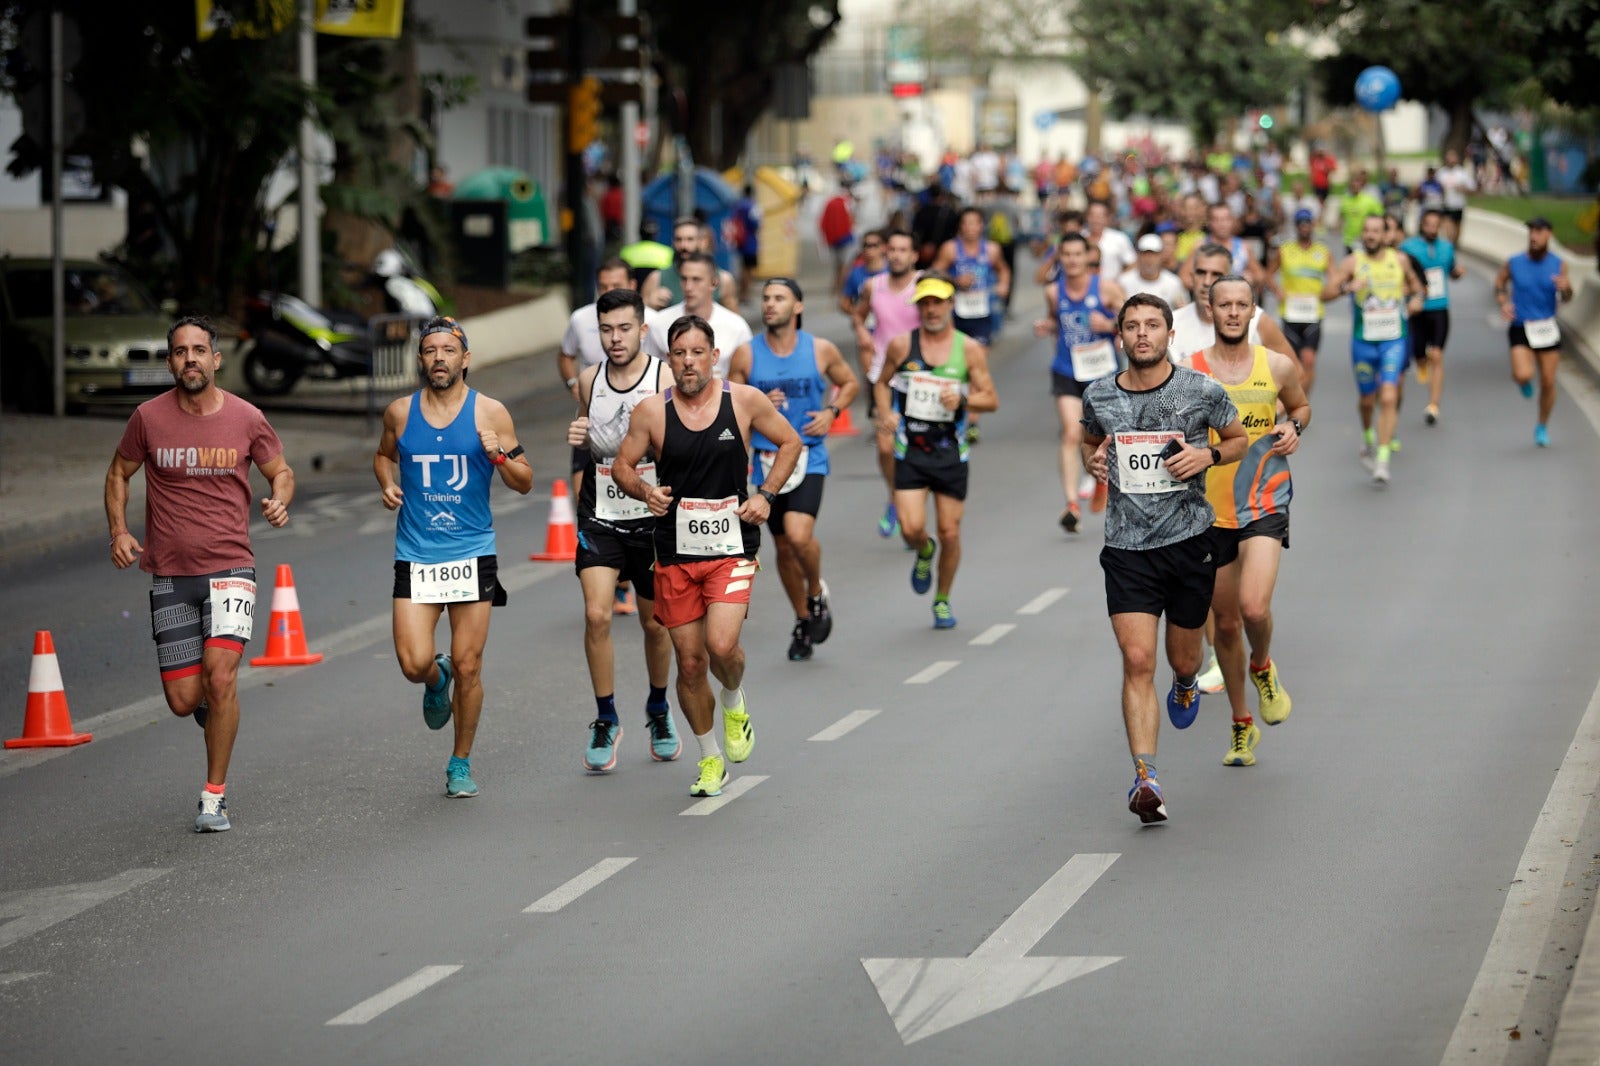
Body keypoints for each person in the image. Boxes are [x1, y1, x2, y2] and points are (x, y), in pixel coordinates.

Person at [106, 315, 295, 833]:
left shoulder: (247, 417)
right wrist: (119, 531)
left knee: (221, 676)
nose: (190, 358)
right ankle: (217, 714)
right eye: (180, 351)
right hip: (169, 572)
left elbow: (280, 470)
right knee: (184, 699)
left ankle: (214, 796)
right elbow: (119, 473)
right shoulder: (147, 418)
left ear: (216, 358)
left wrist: (279, 499)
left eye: (199, 350)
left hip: (232, 567)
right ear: (170, 362)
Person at [612, 315, 803, 798]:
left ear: (713, 356)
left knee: (721, 647)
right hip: (674, 551)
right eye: (679, 354)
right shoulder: (652, 411)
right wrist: (644, 492)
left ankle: (735, 699)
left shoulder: (742, 400)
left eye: (698, 353)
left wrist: (766, 495)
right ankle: (709, 757)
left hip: (732, 547)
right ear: (668, 359)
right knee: (690, 663)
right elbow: (620, 465)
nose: (688, 362)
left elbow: (790, 441)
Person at [1081, 293, 1247, 823]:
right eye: (1132, 326)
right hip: (1127, 548)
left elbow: (1240, 437)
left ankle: (1185, 682)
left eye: (1153, 325)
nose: (1142, 334)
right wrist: (1095, 459)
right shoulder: (1099, 394)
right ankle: (1146, 777)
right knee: (1136, 660)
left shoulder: (1200, 391)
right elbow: (1092, 439)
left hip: (1189, 542)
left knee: (1181, 659)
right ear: (1121, 337)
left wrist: (1209, 454)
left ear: (1170, 335)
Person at [374, 316, 533, 798]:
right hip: (417, 555)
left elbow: (525, 480)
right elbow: (383, 456)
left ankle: (460, 762)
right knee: (412, 662)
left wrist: (500, 457)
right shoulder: (400, 413)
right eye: (430, 350)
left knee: (469, 666)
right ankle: (433, 676)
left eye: (448, 350)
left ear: (465, 359)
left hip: (471, 553)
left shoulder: (491, 413)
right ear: (420, 359)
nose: (438, 358)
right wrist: (387, 482)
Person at [1188, 276, 1311, 768]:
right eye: (1225, 305)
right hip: (1208, 512)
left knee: (1254, 609)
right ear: (1211, 310)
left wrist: (1293, 427)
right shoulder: (1190, 373)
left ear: (1253, 310)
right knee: (1226, 623)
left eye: (1242, 305)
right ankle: (1242, 724)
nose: (1234, 313)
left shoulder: (1276, 365)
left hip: (1263, 500)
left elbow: (1301, 406)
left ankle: (1263, 665)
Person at [564, 289, 679, 772]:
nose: (614, 339)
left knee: (656, 624)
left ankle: (657, 707)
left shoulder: (664, 377)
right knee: (597, 616)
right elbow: (583, 443)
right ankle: (606, 717)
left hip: (652, 517)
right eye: (606, 329)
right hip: (602, 514)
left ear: (642, 330)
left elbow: (684, 441)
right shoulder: (588, 380)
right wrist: (577, 441)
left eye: (624, 328)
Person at [727, 278, 859, 660]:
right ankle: (803, 619)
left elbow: (848, 383)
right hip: (767, 461)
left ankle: (815, 591)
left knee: (799, 537)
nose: (769, 304)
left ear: (797, 307)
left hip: (808, 454)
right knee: (783, 547)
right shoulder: (746, 356)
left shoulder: (820, 349)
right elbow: (730, 408)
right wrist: (758, 404)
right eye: (766, 298)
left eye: (779, 298)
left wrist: (832, 411)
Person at [873, 275, 1000, 629]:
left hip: (949, 454)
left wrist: (963, 398)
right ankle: (923, 551)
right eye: (925, 303)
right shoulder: (902, 346)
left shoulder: (968, 349)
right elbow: (881, 383)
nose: (931, 310)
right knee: (912, 529)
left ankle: (942, 599)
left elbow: (991, 399)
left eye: (938, 302)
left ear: (950, 305)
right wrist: (886, 415)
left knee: (950, 533)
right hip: (910, 450)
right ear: (918, 308)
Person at [1032, 232, 1125, 533]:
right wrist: (1046, 326)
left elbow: (1132, 326)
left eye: (1077, 254)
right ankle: (1071, 504)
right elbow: (1054, 320)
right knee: (1072, 434)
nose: (1072, 260)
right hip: (1067, 370)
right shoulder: (1052, 292)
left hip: (1102, 374)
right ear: (1060, 258)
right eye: (1066, 254)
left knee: (1103, 436)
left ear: (1088, 257)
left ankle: (1101, 479)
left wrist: (1110, 325)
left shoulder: (1108, 290)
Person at [1323, 215, 1425, 484]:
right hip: (1363, 343)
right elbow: (1326, 292)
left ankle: (1382, 460)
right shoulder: (1352, 262)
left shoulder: (1399, 261)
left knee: (1389, 396)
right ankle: (1369, 432)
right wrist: (1347, 287)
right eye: (1366, 230)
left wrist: (1416, 300)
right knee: (1368, 400)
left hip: (1393, 340)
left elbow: (1418, 288)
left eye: (1376, 231)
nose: (1370, 235)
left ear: (1385, 235)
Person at [855, 230, 923, 538]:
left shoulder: (923, 284)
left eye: (903, 249)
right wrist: (862, 335)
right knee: (885, 446)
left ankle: (912, 510)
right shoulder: (874, 285)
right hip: (883, 377)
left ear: (914, 255)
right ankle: (895, 496)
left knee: (915, 448)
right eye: (892, 250)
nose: (896, 255)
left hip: (918, 377)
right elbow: (859, 315)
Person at [1494, 217, 1574, 447]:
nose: (1533, 236)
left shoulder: (1559, 264)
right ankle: (1522, 381)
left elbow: (1568, 296)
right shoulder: (1514, 262)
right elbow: (1499, 283)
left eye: (1539, 232)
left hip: (1546, 327)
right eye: (1531, 232)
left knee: (1548, 382)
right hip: (1520, 325)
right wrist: (1503, 302)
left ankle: (1542, 425)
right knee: (1523, 374)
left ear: (1549, 234)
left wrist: (1566, 288)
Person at [1172, 243, 1296, 365]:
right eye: (1201, 272)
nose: (1207, 281)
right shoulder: (1172, 322)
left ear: (1229, 278)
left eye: (1216, 274)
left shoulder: (1258, 321)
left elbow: (1296, 374)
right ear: (1192, 276)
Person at [1400, 208, 1464, 425]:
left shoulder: (1447, 248)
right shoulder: (1408, 247)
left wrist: (1458, 273)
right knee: (1420, 354)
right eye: (1428, 224)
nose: (1431, 229)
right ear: (1421, 225)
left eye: (1436, 225)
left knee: (1437, 354)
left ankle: (1433, 405)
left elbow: (1453, 271)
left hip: (1439, 307)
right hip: (1417, 309)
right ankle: (1421, 361)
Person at [647, 252, 753, 377]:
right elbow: (648, 373)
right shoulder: (658, 323)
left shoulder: (737, 327)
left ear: (714, 283)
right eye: (684, 279)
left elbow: (746, 376)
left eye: (696, 279)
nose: (688, 287)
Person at [1271, 209, 1332, 395]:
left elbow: (1335, 278)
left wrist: (1328, 292)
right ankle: (1293, 401)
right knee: (1292, 363)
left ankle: (1303, 402)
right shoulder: (1285, 250)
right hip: (1291, 314)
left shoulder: (1323, 252)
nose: (1304, 227)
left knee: (1309, 360)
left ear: (1313, 225)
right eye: (1300, 223)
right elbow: (1268, 274)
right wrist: (1277, 291)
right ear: (1296, 226)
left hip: (1313, 314)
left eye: (1307, 223)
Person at [640, 217, 705, 310]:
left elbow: (732, 319)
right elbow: (639, 318)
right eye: (679, 239)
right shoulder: (656, 278)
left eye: (690, 239)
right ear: (672, 242)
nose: (684, 245)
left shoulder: (721, 279)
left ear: (701, 242)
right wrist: (649, 304)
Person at [1118, 233, 1188, 309]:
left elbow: (1183, 310)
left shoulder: (1174, 283)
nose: (1149, 259)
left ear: (1161, 256)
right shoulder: (1123, 282)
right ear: (1138, 255)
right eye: (1145, 254)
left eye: (1154, 254)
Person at [1335, 169, 1385, 255]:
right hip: (1348, 240)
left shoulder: (1369, 200)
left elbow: (1381, 215)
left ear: (1361, 185)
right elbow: (1341, 215)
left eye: (1357, 182)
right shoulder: (1345, 200)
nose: (1355, 185)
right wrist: (1338, 226)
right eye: (1353, 183)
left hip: (1363, 240)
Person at [1086, 199, 1137, 282]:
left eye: (1099, 216)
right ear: (1087, 217)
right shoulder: (1080, 238)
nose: (1095, 220)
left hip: (1112, 287)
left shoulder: (1119, 238)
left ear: (1106, 218)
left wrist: (1119, 280)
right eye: (1092, 215)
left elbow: (1132, 263)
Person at [1437, 149, 1476, 245]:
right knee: (1448, 230)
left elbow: (1472, 189)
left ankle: (1453, 246)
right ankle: (1449, 246)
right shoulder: (1441, 173)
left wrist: (1462, 189)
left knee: (1457, 232)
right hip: (1446, 205)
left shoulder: (1462, 173)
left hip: (1458, 205)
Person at [732, 185, 763, 305]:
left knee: (743, 268)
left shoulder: (738, 206)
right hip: (751, 242)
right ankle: (746, 295)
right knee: (749, 270)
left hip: (741, 241)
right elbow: (755, 224)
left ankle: (741, 293)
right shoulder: (752, 206)